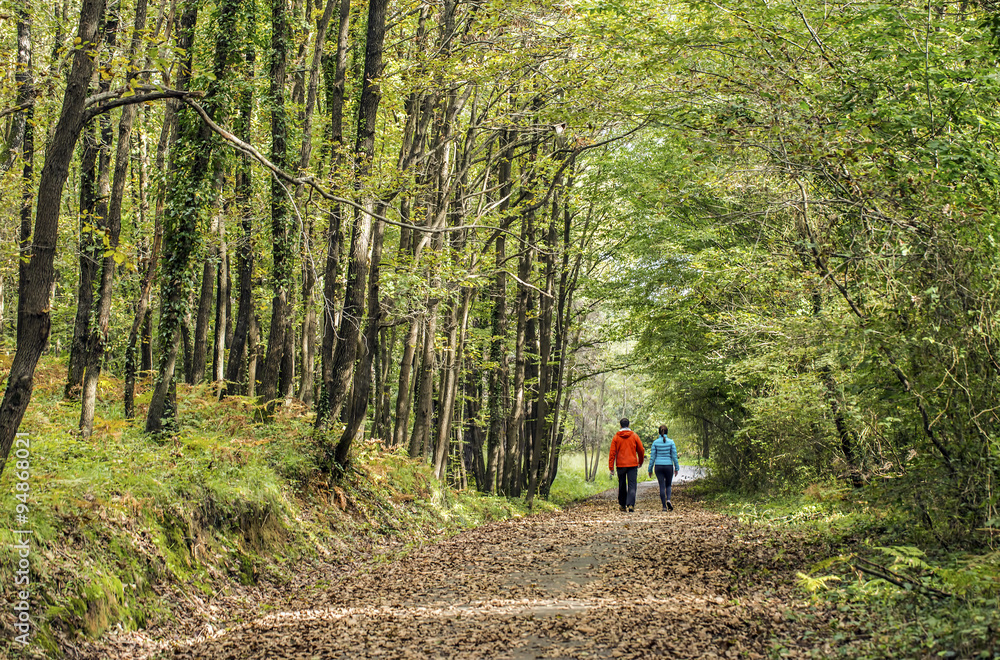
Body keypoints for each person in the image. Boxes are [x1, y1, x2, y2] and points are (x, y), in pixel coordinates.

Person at [609, 418, 644, 512]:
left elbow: (612, 452)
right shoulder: (634, 436)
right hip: (632, 464)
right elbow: (641, 450)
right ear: (628, 425)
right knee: (632, 484)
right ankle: (631, 504)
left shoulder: (616, 437)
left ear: (620, 425)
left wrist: (611, 467)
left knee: (622, 484)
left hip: (620, 465)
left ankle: (622, 505)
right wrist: (640, 461)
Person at [647, 425, 680, 511]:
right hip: (669, 466)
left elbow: (652, 457)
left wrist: (650, 469)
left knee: (662, 486)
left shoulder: (655, 443)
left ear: (659, 432)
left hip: (658, 466)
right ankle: (668, 500)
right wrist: (676, 468)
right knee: (668, 485)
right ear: (667, 432)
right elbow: (674, 456)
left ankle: (664, 506)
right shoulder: (671, 442)